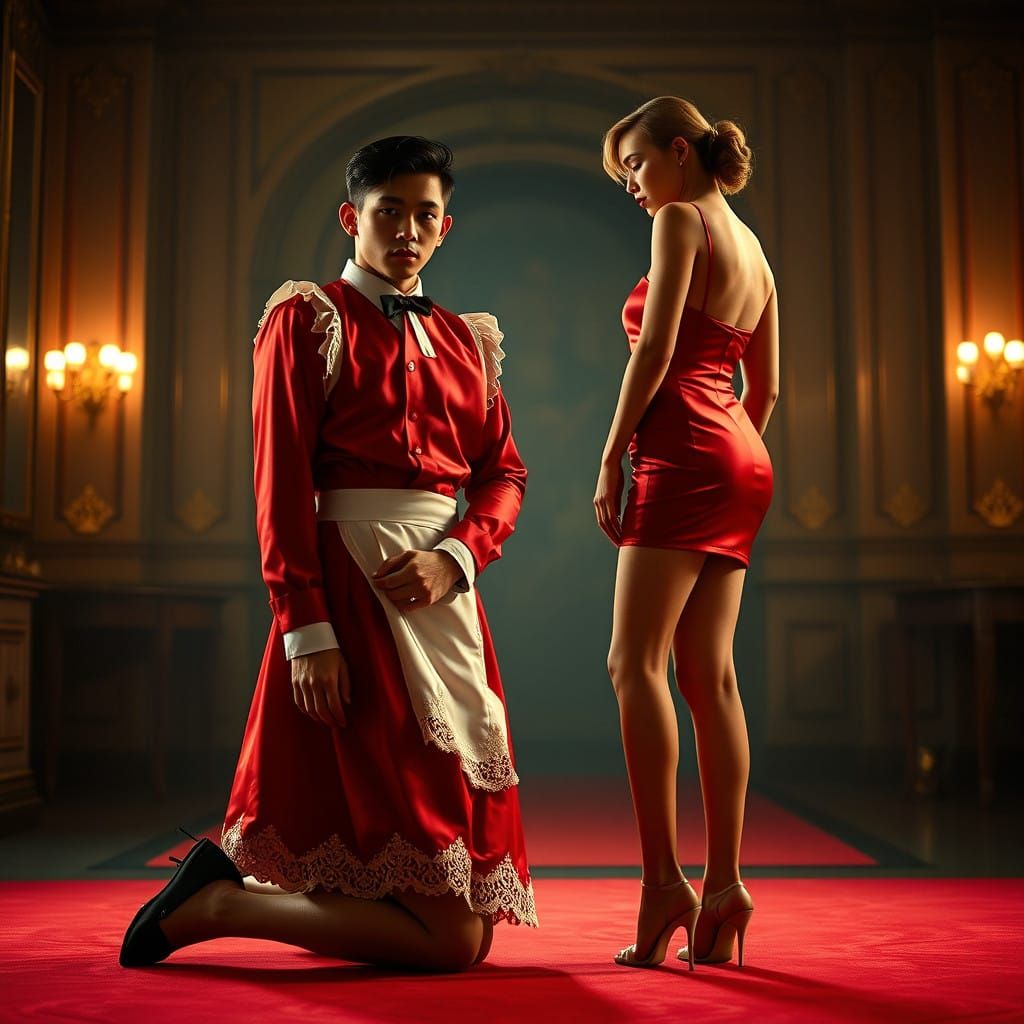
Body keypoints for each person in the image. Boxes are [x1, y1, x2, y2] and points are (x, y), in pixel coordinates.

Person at [120, 136, 536, 973]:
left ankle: (222, 896)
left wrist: (459, 555)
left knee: (465, 922)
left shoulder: (468, 340)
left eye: (426, 214)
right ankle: (222, 903)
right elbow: (278, 485)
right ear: (352, 218)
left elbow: (505, 476)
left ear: (445, 227)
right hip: (350, 592)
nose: (408, 231)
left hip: (443, 599)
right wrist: (304, 629)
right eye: (390, 212)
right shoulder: (308, 317)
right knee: (454, 940)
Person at [594, 97, 778, 969]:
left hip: (685, 450)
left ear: (676, 150)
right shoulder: (757, 250)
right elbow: (766, 391)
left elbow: (655, 348)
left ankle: (666, 882)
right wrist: (727, 448)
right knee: (712, 677)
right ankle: (729, 884)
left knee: (635, 665)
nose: (633, 185)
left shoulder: (680, 219)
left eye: (634, 164)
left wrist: (613, 453)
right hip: (742, 453)